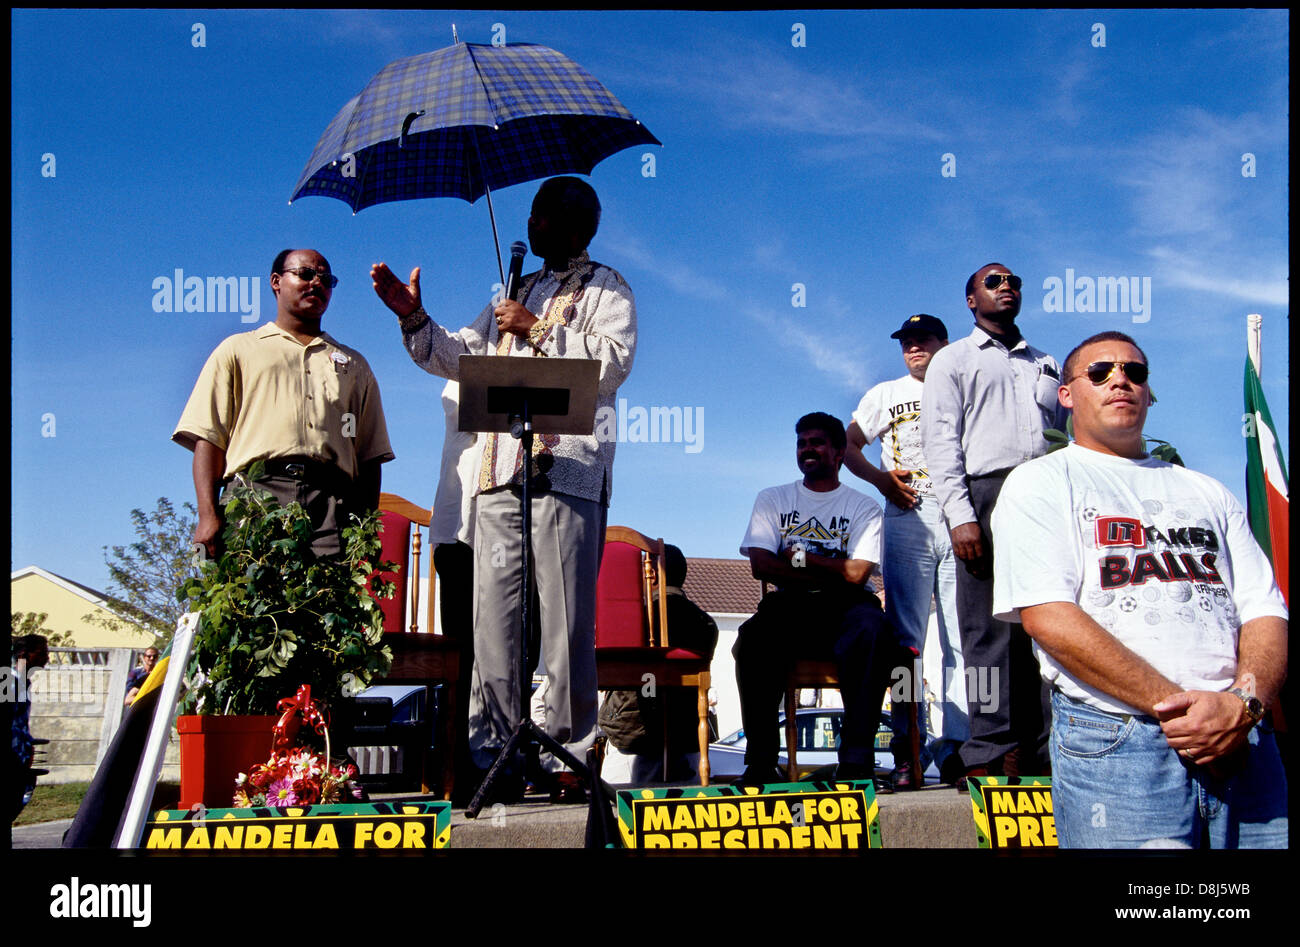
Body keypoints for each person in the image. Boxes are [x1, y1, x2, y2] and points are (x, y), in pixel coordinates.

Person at [372, 176, 636, 803]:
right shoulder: (515, 289)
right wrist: (413, 315)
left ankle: (569, 751)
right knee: (494, 625)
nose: (531, 223)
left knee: (566, 621)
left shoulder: (608, 285)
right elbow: (459, 356)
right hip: (497, 476)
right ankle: (495, 755)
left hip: (566, 472)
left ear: (574, 225)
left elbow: (613, 363)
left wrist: (539, 328)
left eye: (542, 215)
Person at [990, 331, 1287, 847]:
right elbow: (1048, 616)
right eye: (1100, 372)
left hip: (1243, 736)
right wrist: (1184, 712)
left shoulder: (1206, 490)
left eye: (1135, 372)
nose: (1120, 380)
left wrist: (1242, 705)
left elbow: (1265, 609)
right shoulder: (1039, 482)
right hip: (1120, 743)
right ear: (1067, 394)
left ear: (1148, 392)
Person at [921, 264, 1068, 782]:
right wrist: (961, 516)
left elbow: (1064, 434)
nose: (1007, 287)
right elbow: (939, 441)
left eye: (1014, 282)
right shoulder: (953, 360)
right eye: (993, 282)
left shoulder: (1047, 364)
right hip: (986, 495)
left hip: (1046, 495)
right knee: (987, 630)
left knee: (1048, 622)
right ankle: (990, 749)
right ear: (970, 300)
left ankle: (1046, 750)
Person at [174, 249, 395, 560]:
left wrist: (365, 528)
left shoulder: (354, 366)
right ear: (276, 281)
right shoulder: (238, 350)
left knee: (325, 605)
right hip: (253, 500)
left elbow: (369, 456)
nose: (317, 283)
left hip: (331, 507)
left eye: (326, 279)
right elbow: (209, 439)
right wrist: (207, 516)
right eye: (305, 274)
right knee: (250, 603)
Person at [733, 412, 902, 788]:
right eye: (802, 443)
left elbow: (859, 575)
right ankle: (760, 762)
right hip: (789, 605)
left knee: (872, 632)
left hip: (848, 607)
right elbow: (761, 565)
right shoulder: (773, 498)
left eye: (817, 442)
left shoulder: (863, 506)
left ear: (839, 452)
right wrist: (832, 567)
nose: (808, 449)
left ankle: (857, 761)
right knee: (750, 642)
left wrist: (799, 556)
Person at [846, 314, 968, 790]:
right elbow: (851, 445)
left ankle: (960, 749)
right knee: (905, 641)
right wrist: (880, 481)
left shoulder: (961, 384)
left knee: (962, 635)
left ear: (944, 343)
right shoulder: (885, 394)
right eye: (907, 343)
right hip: (907, 508)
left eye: (923, 341)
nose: (914, 349)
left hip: (958, 510)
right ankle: (907, 751)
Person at [600, 544, 719, 783]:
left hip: (632, 741)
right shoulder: (705, 623)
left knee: (621, 812)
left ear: (651, 574)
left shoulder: (633, 620)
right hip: (689, 744)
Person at [6, 634, 49, 823]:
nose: (46, 658)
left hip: (19, 763)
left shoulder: (23, 683)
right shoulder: (8, 682)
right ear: (24, 654)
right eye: (41, 653)